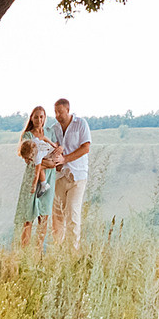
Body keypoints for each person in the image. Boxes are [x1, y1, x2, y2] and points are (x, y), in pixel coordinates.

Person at [45, 96, 91, 246]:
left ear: (68, 110)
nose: (58, 115)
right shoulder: (54, 129)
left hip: (77, 176)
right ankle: (57, 251)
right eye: (55, 112)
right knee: (57, 215)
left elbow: (85, 148)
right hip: (59, 176)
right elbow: (50, 149)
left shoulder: (81, 124)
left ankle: (73, 251)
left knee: (72, 213)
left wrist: (65, 159)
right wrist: (55, 159)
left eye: (60, 112)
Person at [13, 136, 53, 248]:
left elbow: (37, 171)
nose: (28, 161)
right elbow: (44, 138)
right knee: (28, 217)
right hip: (48, 150)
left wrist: (34, 185)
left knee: (38, 168)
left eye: (28, 158)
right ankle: (25, 247)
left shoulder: (38, 155)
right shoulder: (33, 142)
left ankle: (44, 184)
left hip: (50, 154)